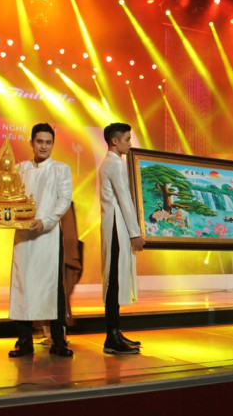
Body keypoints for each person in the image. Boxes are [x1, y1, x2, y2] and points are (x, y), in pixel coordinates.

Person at [8, 123, 74, 358]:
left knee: (53, 288)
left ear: (53, 144)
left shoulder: (61, 169)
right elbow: (10, 200)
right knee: (22, 286)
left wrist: (46, 221)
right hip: (24, 236)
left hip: (48, 236)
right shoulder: (19, 169)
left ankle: (58, 340)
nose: (44, 146)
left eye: (48, 142)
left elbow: (64, 200)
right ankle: (24, 341)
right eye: (39, 141)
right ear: (31, 143)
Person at [98, 123, 143, 354]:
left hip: (116, 225)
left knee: (115, 279)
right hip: (117, 226)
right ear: (114, 141)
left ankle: (115, 332)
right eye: (127, 139)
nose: (130, 143)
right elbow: (124, 200)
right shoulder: (114, 164)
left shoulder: (112, 163)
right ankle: (112, 336)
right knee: (114, 281)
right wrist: (135, 233)